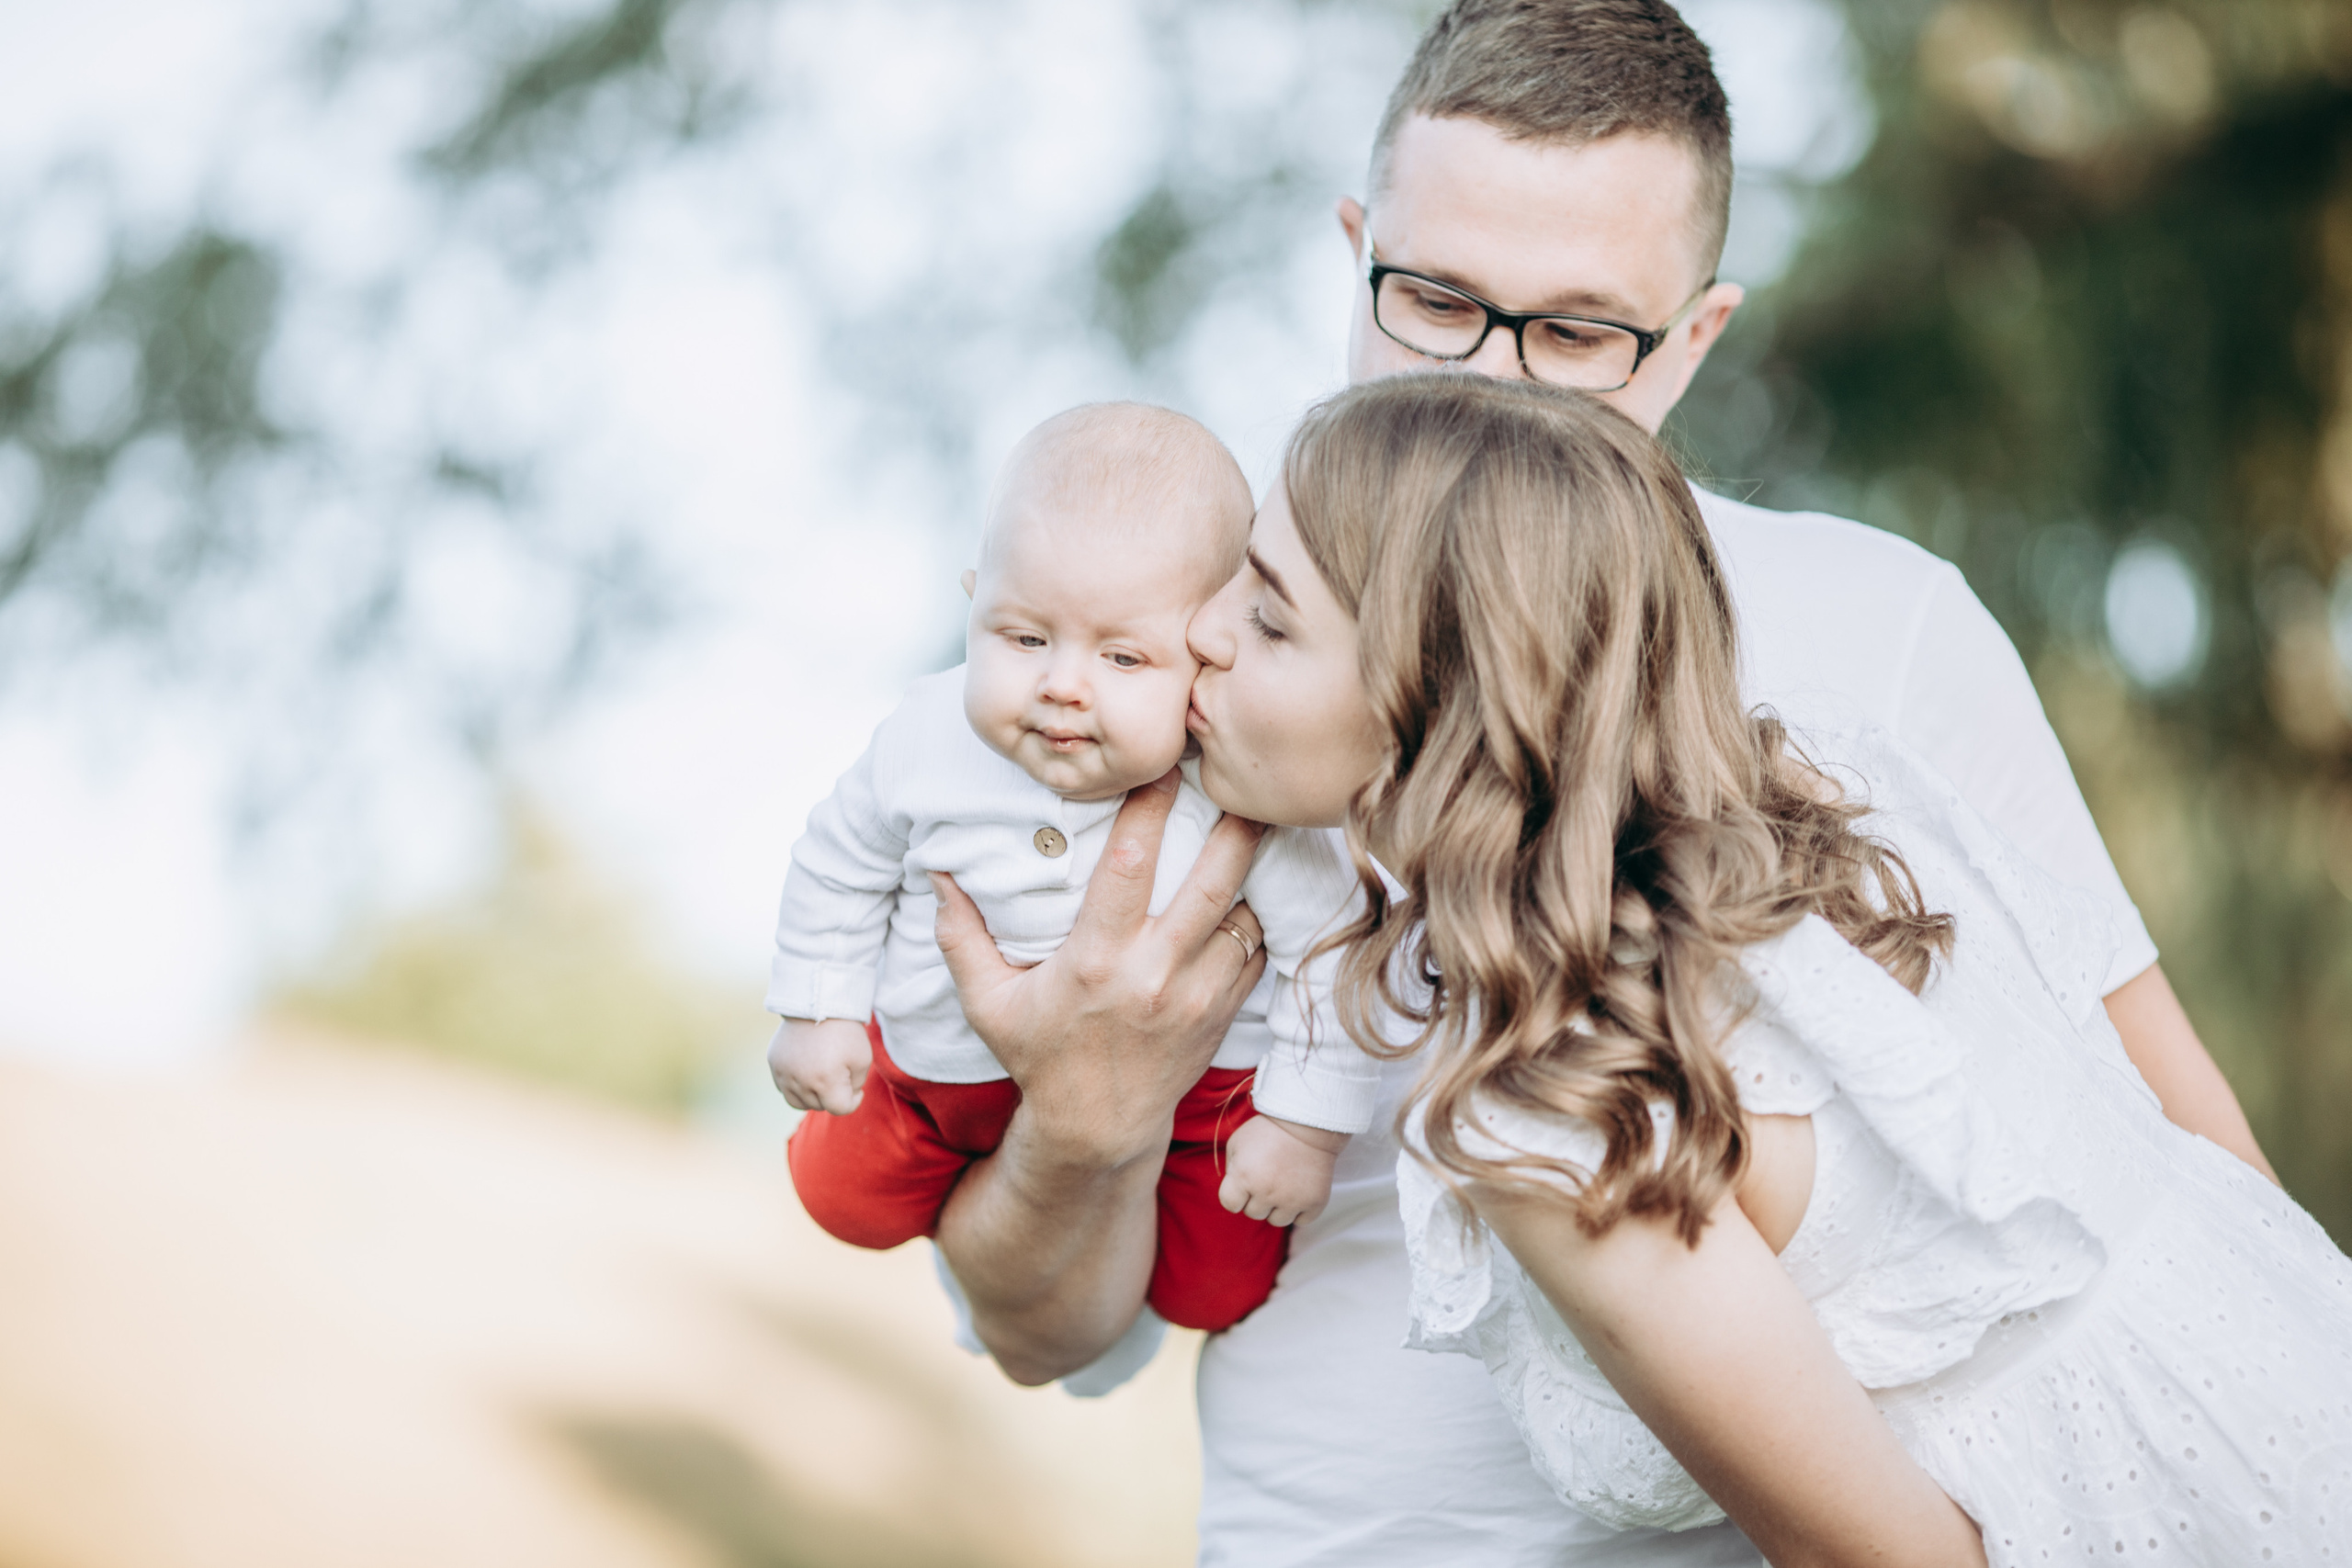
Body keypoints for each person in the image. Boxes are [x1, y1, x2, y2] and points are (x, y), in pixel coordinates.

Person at [922, 4, 2276, 1561]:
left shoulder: (1884, 639)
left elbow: (2195, 1190)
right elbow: (1044, 1335)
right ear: (1357, 250)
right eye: (1435, 302)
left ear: (1696, 335)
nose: (1499, 380)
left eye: (1577, 332)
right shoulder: (1145, 663)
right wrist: (1085, 1124)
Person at [1222, 369, 2352, 1564]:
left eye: (1268, 616)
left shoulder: (1550, 1103)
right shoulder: (1828, 788)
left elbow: (1885, 1556)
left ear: (1440, 697)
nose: (1201, 630)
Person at [766, 402, 1371, 1337]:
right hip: (936, 1065)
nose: (1063, 684)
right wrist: (819, 1009)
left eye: (1124, 655)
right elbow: (837, 863)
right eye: (1023, 637)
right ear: (973, 601)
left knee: (1213, 1294)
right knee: (838, 1198)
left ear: (1203, 658)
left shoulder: (1235, 790)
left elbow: (1327, 953)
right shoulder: (923, 741)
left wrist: (1301, 1124)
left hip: (1198, 1097)